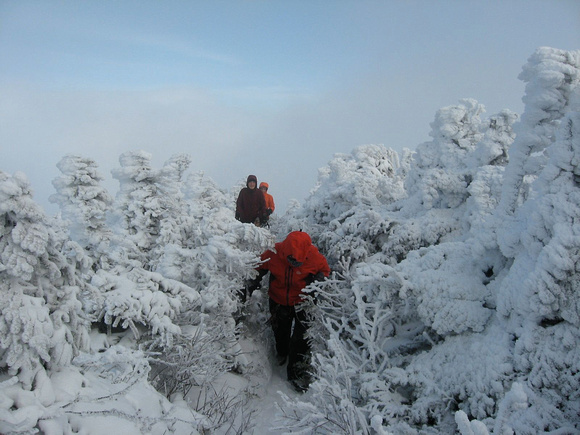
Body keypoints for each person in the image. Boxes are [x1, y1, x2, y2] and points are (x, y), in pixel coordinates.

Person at [244, 231, 330, 392]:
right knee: (280, 330)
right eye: (290, 260)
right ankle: (282, 352)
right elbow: (259, 267)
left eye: (297, 262)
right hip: (278, 299)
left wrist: (318, 282)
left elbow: (325, 271)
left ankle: (297, 373)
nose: (293, 264)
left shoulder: (314, 256)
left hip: (303, 302)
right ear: (285, 252)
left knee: (302, 338)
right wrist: (251, 283)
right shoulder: (274, 252)